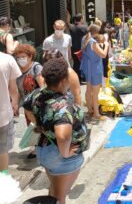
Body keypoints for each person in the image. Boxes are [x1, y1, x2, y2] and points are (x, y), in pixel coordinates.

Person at [24, 58, 88, 204]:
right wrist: (65, 153)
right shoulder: (63, 106)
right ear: (63, 80)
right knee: (59, 197)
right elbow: (63, 136)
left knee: (54, 190)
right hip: (61, 156)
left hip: (45, 150)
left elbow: (27, 108)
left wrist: (41, 125)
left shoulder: (37, 93)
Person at [80, 24, 109, 120]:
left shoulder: (84, 38)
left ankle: (89, 109)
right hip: (94, 68)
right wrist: (106, 46)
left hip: (87, 66)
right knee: (95, 92)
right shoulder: (93, 43)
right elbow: (103, 55)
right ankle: (96, 113)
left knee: (88, 89)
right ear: (96, 32)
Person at [0, 51, 20, 173]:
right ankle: (4, 180)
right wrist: (15, 104)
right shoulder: (7, 59)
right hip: (3, 114)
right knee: (2, 150)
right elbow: (13, 89)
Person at [67, 14, 88, 82]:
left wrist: (68, 16)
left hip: (73, 48)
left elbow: (67, 23)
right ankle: (82, 77)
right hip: (82, 49)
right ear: (81, 19)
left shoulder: (71, 27)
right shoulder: (84, 27)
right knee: (83, 63)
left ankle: (76, 78)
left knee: (76, 64)